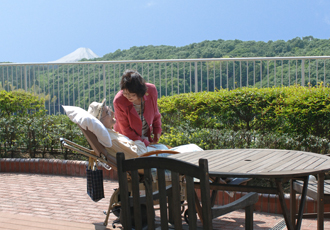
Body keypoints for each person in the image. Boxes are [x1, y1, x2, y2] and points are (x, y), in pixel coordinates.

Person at [88, 99, 203, 159]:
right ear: (100, 121)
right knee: (195, 151)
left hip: (151, 155)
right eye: (108, 112)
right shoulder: (111, 139)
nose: (112, 112)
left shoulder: (109, 134)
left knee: (193, 149)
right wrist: (141, 143)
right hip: (150, 159)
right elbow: (137, 153)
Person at [113, 70, 161, 147]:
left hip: (145, 136)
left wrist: (157, 130)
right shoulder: (119, 101)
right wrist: (146, 144)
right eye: (126, 94)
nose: (129, 97)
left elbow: (155, 113)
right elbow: (125, 130)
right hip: (127, 141)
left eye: (133, 95)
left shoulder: (151, 90)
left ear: (140, 92)